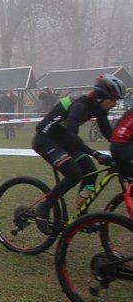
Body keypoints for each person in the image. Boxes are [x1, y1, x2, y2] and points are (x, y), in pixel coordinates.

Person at [29, 74, 123, 223]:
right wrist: (95, 153)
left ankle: (82, 216)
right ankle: (44, 206)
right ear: (101, 97)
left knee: (91, 171)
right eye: (113, 100)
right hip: (45, 140)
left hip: (62, 140)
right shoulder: (80, 105)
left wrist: (123, 148)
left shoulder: (99, 109)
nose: (115, 104)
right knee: (74, 174)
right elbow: (71, 136)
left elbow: (109, 134)